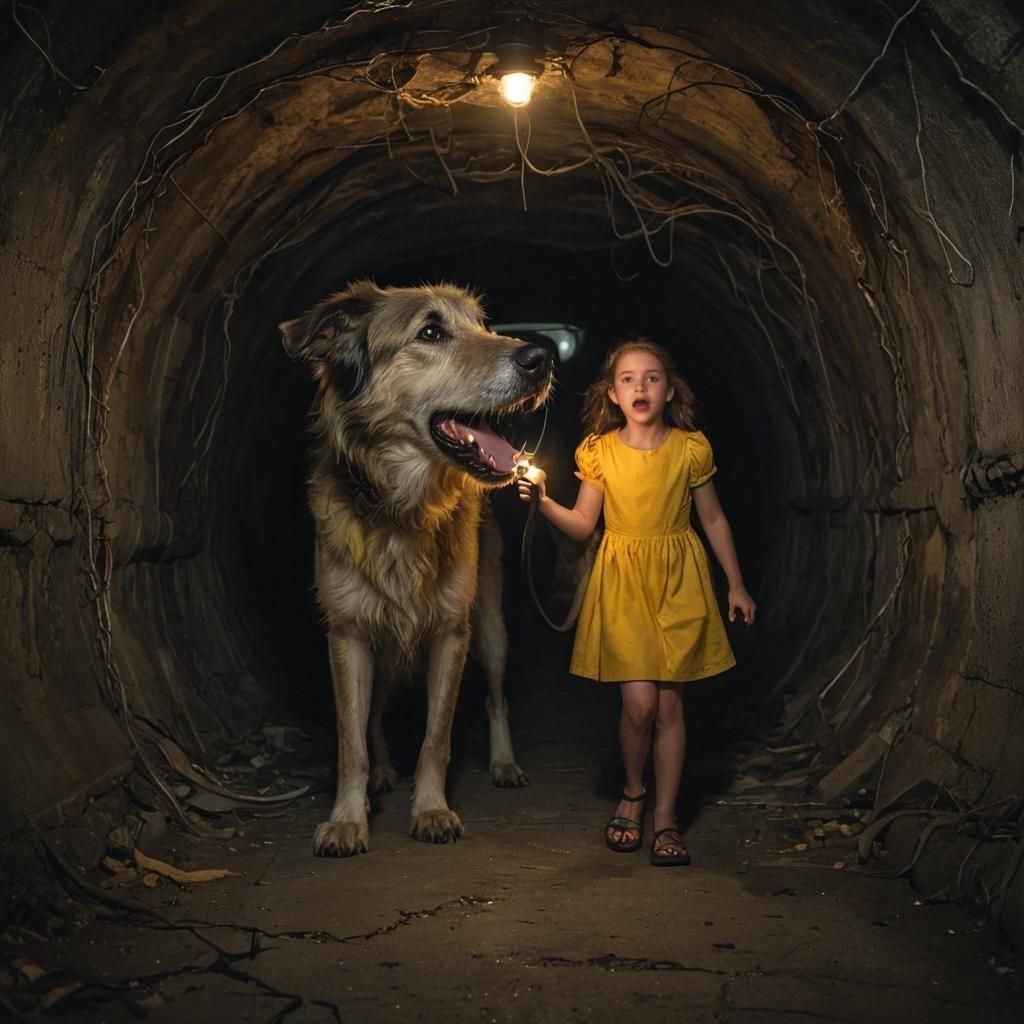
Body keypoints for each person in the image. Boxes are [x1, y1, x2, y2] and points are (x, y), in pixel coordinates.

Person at [518, 339, 756, 865]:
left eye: (651, 378)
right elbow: (583, 525)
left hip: (679, 578)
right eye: (627, 379)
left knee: (670, 706)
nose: (640, 387)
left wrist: (735, 583)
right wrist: (542, 500)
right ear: (612, 394)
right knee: (640, 705)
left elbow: (713, 518)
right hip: (623, 580)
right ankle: (633, 791)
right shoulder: (599, 452)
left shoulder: (691, 448)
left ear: (669, 391)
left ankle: (666, 819)